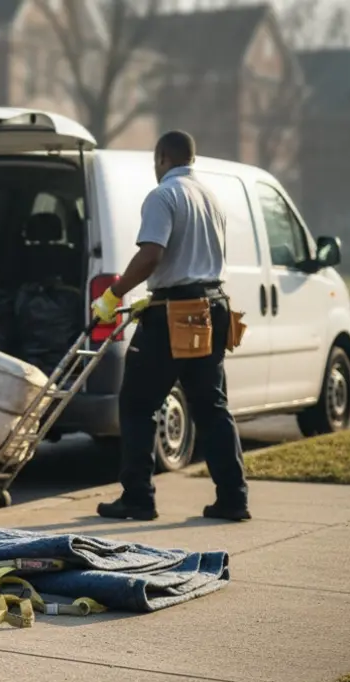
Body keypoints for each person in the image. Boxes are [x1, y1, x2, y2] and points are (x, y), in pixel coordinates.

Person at [90, 130, 251, 522]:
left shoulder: (163, 195)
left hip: (175, 314)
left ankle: (138, 498)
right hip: (212, 306)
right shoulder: (211, 197)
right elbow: (196, 260)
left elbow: (151, 255)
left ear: (162, 157)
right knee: (211, 406)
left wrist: (114, 295)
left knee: (137, 403)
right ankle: (233, 498)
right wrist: (157, 294)